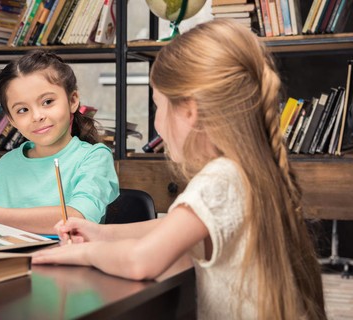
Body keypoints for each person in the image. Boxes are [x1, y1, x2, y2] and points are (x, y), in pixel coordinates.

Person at [31, 20, 326, 319]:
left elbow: (141, 261)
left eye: (158, 105)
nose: (158, 121)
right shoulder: (247, 171)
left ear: (190, 111)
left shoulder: (219, 178)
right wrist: (99, 233)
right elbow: (172, 226)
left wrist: (80, 253)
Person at [0, 50, 119, 234]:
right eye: (22, 110)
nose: (37, 116)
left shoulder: (95, 158)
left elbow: (76, 218)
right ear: (12, 120)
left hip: (68, 259)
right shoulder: (7, 164)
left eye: (47, 102)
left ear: (72, 100)